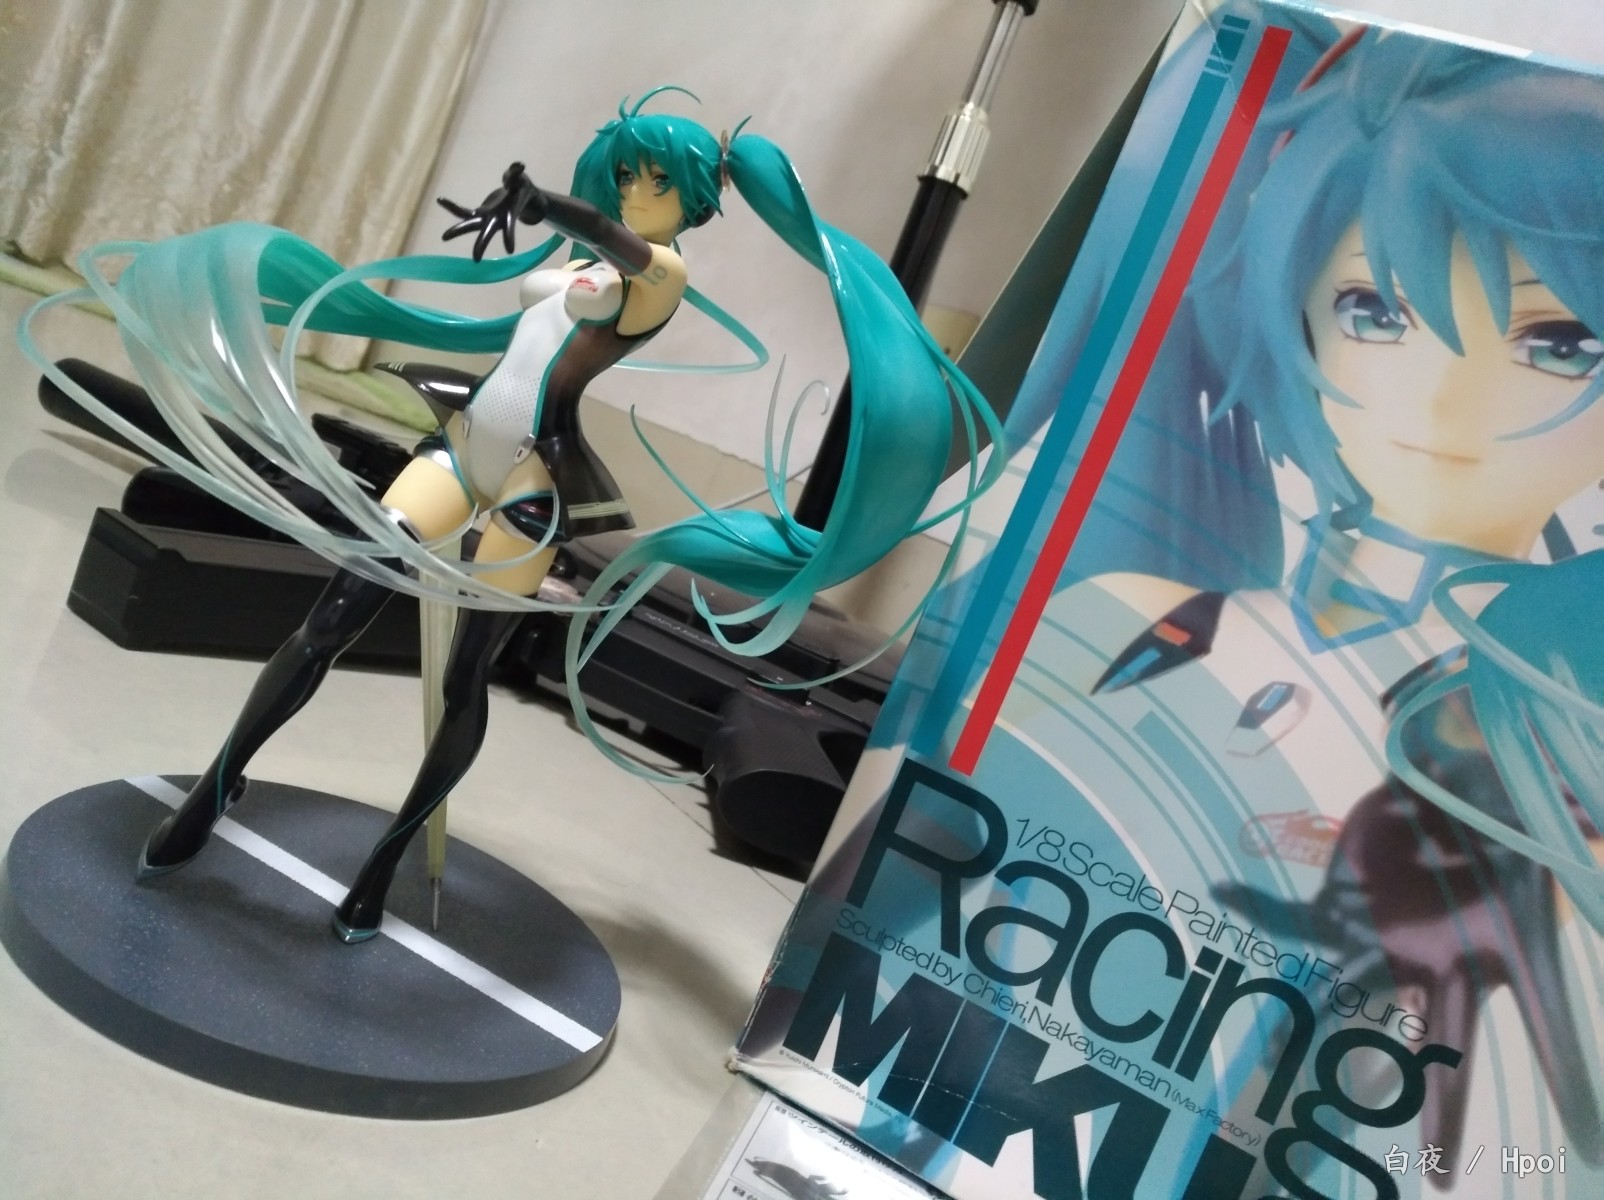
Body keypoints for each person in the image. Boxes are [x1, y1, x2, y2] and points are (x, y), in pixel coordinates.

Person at [22, 88, 1001, 942]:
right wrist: (539, 226)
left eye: (657, 180)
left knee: (463, 681)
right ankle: (214, 788)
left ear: (692, 200)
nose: (638, 191)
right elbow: (559, 279)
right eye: (630, 173)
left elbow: (616, 244)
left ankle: (383, 865)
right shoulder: (578, 262)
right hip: (458, 451)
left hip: (533, 485)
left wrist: (548, 205)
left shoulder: (660, 275)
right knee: (328, 619)